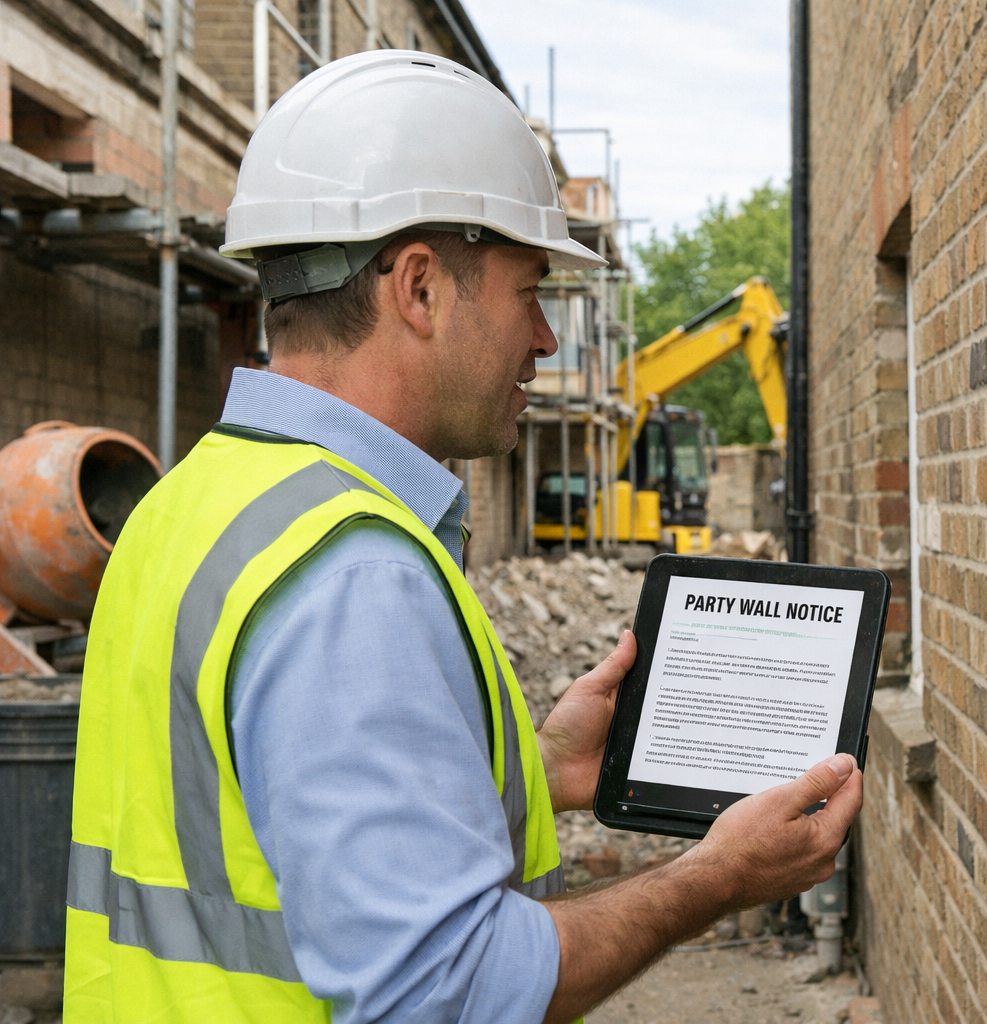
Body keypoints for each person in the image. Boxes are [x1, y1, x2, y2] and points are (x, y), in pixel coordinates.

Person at [64, 51, 861, 1024]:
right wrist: (713, 877)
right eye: (528, 290)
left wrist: (536, 763)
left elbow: (265, 814)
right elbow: (447, 990)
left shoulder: (189, 505)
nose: (546, 341)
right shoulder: (350, 571)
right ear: (420, 288)